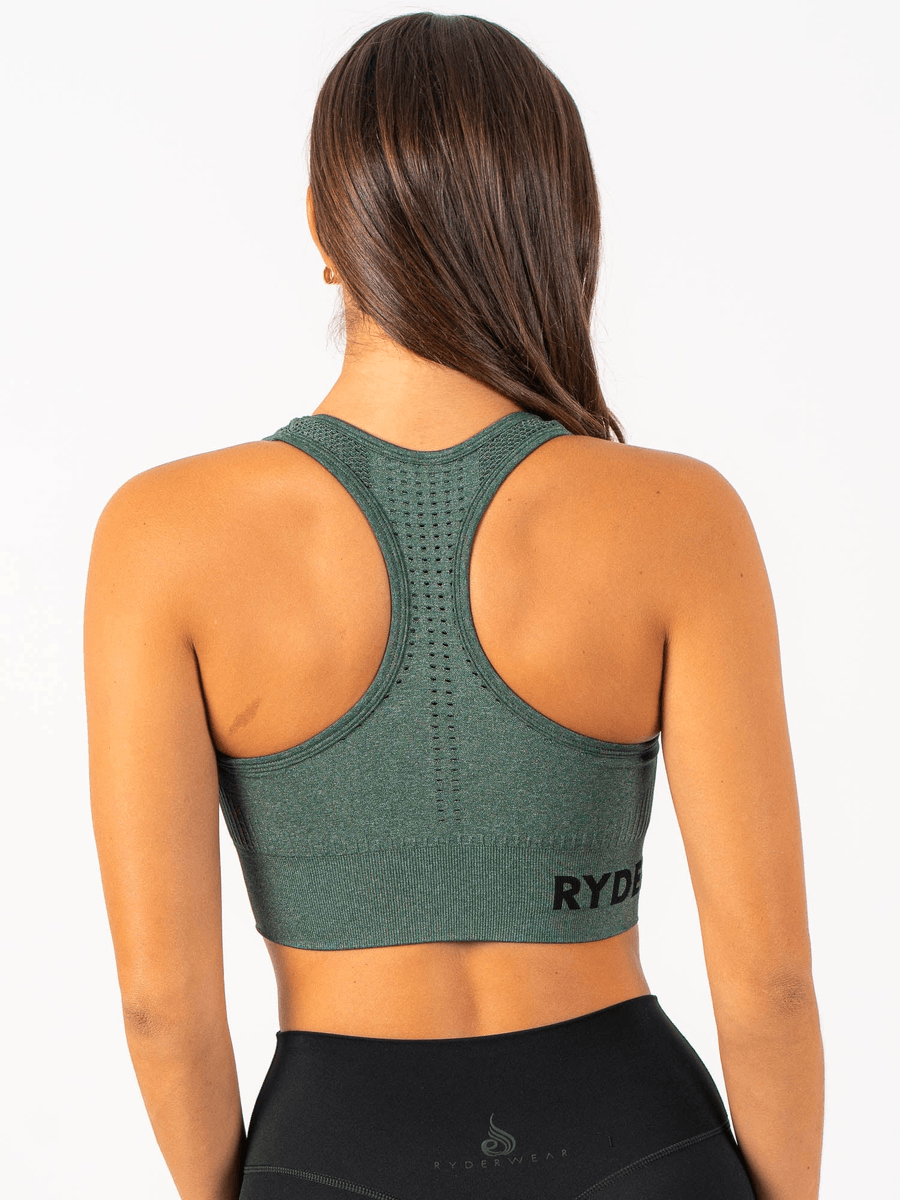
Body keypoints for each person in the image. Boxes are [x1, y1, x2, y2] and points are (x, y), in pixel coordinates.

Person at [84, 12, 824, 1200]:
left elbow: (159, 1005)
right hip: (640, 1143)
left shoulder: (164, 534)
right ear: (560, 228)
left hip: (334, 1151)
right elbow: (772, 986)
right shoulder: (680, 518)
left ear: (326, 231)